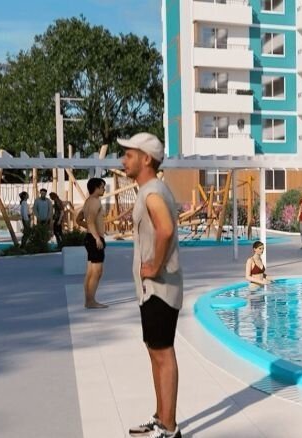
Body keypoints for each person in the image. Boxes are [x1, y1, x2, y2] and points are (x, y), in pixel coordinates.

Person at [121, 132, 184, 438]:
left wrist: (155, 266)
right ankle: (161, 417)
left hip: (160, 287)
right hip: (152, 289)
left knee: (163, 353)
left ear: (146, 159)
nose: (123, 160)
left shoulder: (153, 192)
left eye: (129, 154)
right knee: (154, 351)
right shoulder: (149, 190)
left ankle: (170, 429)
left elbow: (166, 229)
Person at [76, 178, 108, 309]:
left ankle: (88, 300)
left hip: (90, 238)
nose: (104, 189)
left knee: (90, 272)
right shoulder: (95, 202)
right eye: (102, 187)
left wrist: (91, 231)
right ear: (96, 187)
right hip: (94, 239)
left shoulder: (87, 202)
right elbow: (90, 221)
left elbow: (79, 220)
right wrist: (97, 238)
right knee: (97, 272)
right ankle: (91, 301)